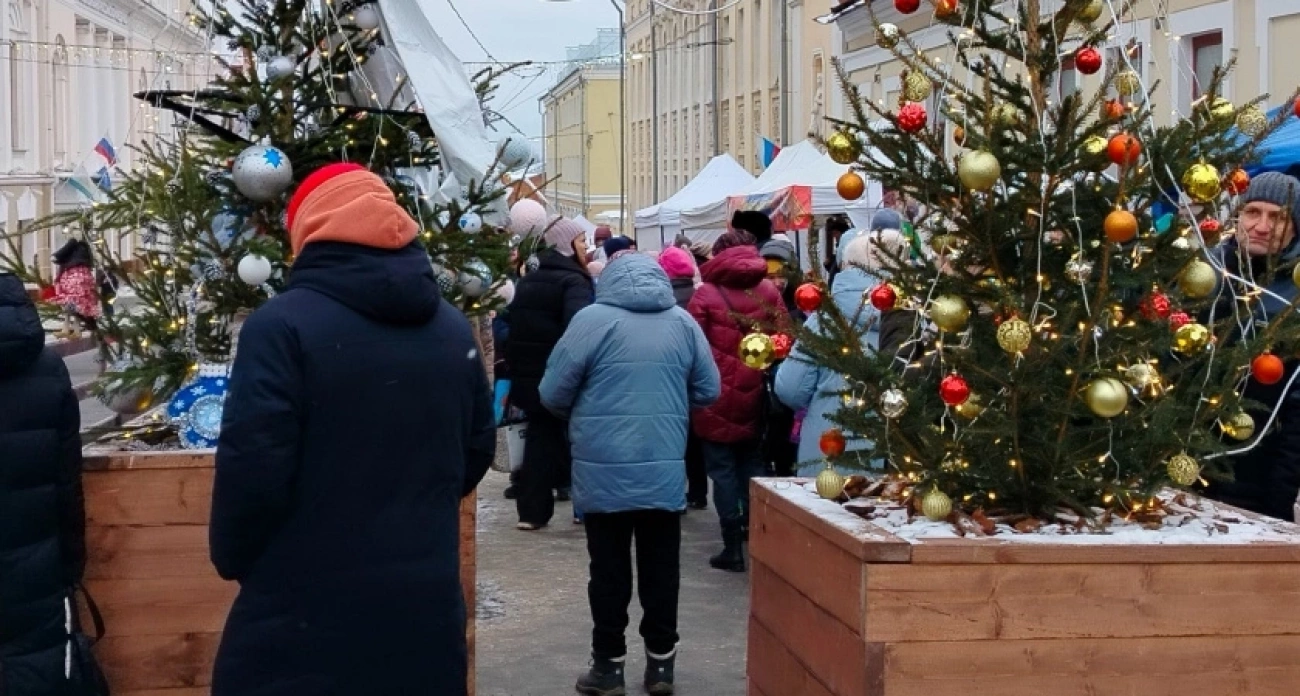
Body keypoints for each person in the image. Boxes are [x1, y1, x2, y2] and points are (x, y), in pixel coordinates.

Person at [209, 163, 495, 696]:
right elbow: (476, 448)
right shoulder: (451, 326)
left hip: (302, 609)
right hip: (424, 609)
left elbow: (253, 468)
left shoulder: (282, 327)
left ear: (310, 232)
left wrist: (236, 557)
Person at [540, 254, 720, 696]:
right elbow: (709, 388)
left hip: (602, 469)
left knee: (608, 571)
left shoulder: (591, 320)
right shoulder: (681, 322)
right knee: (662, 568)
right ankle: (661, 667)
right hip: (662, 467)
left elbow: (551, 391)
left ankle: (608, 667)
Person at [0, 272, 108, 696]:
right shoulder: (45, 369)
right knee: (40, 670)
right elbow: (67, 482)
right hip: (36, 568)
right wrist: (69, 565)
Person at [1201, 171, 1300, 522]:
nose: (1262, 225)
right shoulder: (1203, 276)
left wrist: (1280, 498)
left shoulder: (1293, 297)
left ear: (1294, 228)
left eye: (1278, 217)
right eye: (1253, 212)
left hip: (1257, 479)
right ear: (1238, 216)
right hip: (1187, 467)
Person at [688, 230, 786, 572]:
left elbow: (693, 348)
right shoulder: (770, 291)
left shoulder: (705, 295)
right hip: (754, 392)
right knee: (752, 465)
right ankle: (758, 535)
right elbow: (784, 339)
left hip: (713, 396)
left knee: (722, 472)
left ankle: (731, 546)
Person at [775, 233, 905, 474]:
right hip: (901, 456)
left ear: (846, 266)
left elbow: (790, 388)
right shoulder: (918, 320)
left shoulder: (825, 320)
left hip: (830, 453)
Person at [507, 216, 594, 529]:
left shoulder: (528, 278)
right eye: (582, 241)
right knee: (574, 439)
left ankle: (531, 511)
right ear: (567, 245)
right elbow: (578, 329)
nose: (586, 247)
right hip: (560, 373)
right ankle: (581, 507)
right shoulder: (574, 282)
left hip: (528, 373)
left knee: (540, 439)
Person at [659, 246, 708, 509]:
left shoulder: (663, 300)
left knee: (674, 440)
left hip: (671, 376)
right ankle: (699, 491)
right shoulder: (701, 295)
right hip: (695, 374)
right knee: (695, 441)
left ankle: (677, 492)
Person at [51, 237, 100, 337]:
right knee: (76, 304)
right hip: (83, 279)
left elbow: (57, 256)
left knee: (70, 303)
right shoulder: (84, 251)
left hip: (73, 278)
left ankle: (71, 329)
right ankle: (71, 329)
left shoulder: (72, 246)